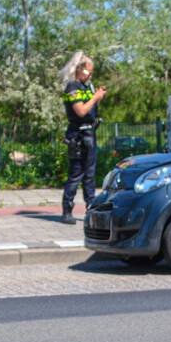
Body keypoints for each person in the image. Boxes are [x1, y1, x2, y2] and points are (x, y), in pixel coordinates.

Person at [58, 51, 107, 225]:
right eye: (88, 72)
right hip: (77, 136)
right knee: (76, 174)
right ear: (79, 70)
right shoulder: (72, 87)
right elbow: (80, 111)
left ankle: (91, 209)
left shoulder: (89, 87)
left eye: (92, 72)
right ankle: (67, 210)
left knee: (90, 175)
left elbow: (90, 108)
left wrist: (97, 96)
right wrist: (95, 98)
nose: (90, 75)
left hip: (90, 134)